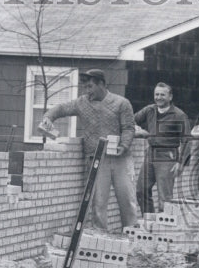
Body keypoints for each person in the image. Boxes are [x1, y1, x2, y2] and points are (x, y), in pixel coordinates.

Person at [38, 69, 137, 232]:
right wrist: (48, 117)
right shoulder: (81, 103)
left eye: (90, 86)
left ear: (102, 85)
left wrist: (124, 146)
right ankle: (101, 237)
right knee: (98, 202)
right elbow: (62, 108)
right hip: (97, 159)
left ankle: (132, 238)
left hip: (121, 158)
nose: (87, 91)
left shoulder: (121, 103)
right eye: (85, 87)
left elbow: (128, 128)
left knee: (127, 200)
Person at [134, 82, 191, 213]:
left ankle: (165, 228)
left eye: (162, 95)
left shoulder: (179, 115)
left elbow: (187, 140)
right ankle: (149, 220)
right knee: (141, 190)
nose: (159, 97)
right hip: (151, 153)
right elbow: (131, 120)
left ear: (170, 97)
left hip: (168, 155)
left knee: (164, 196)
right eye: (156, 94)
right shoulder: (150, 110)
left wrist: (181, 163)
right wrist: (139, 130)